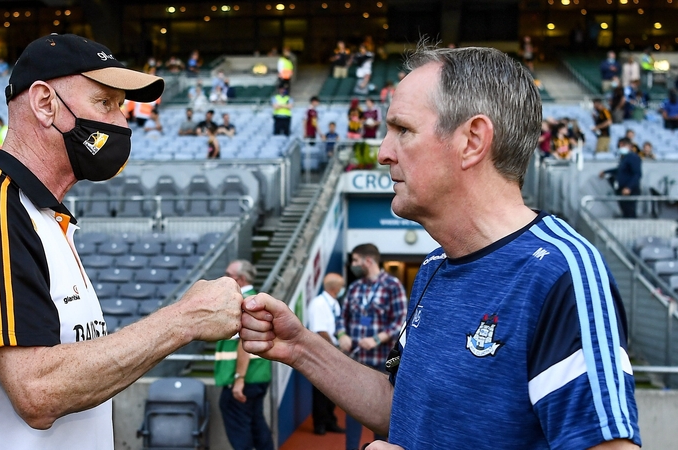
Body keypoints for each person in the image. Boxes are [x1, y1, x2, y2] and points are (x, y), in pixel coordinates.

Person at [239, 45, 640, 450]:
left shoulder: (562, 273)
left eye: (403, 131)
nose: (382, 153)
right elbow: (403, 406)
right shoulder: (435, 265)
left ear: (472, 140)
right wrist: (301, 347)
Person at [0, 33, 243, 450]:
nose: (122, 123)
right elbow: (37, 391)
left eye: (121, 107)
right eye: (104, 102)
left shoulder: (43, 217)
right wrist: (186, 319)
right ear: (45, 103)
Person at [335, 243, 407, 450]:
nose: (352, 265)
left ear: (368, 261)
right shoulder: (355, 288)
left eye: (355, 261)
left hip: (382, 363)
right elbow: (342, 317)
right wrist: (342, 335)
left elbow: (401, 322)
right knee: (352, 413)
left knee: (380, 415)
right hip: (355, 361)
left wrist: (378, 339)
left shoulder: (392, 286)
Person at [215, 260, 273, 450]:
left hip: (243, 378)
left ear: (239, 279)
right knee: (257, 424)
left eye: (227, 273)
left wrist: (239, 378)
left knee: (241, 431)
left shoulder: (241, 303)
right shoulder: (255, 300)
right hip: (257, 375)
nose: (223, 277)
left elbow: (244, 343)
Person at [306, 273, 346, 436]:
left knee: (332, 390)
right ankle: (320, 424)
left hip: (333, 351)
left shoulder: (334, 304)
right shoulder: (318, 304)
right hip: (322, 352)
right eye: (342, 286)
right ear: (336, 288)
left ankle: (330, 421)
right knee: (321, 390)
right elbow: (321, 331)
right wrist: (334, 351)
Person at [600, 138, 642, 218]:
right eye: (620, 145)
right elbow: (619, 170)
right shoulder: (624, 158)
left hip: (630, 190)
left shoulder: (633, 157)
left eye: (623, 145)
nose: (620, 147)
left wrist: (629, 187)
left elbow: (637, 174)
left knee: (630, 212)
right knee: (624, 211)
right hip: (622, 189)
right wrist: (606, 172)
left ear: (629, 146)